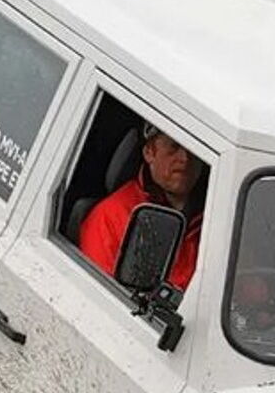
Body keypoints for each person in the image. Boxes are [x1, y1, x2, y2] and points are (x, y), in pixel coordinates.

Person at [78, 121, 204, 288]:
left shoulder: (219, 218)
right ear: (149, 152)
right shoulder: (110, 217)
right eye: (174, 147)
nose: (185, 158)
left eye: (194, 151)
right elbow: (96, 294)